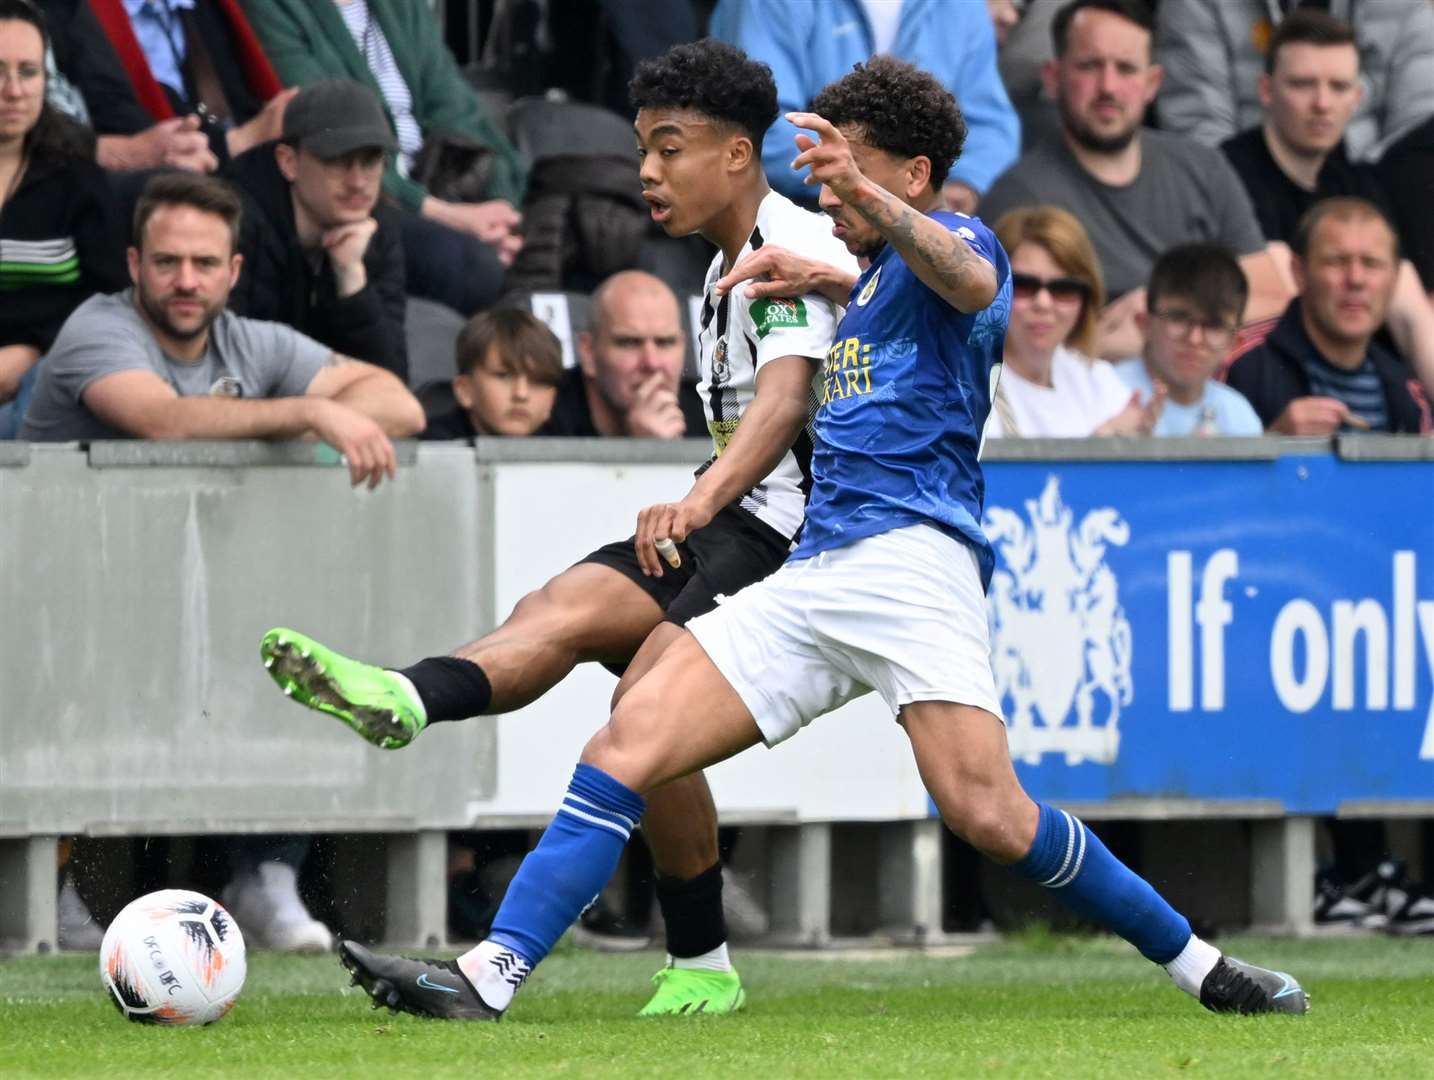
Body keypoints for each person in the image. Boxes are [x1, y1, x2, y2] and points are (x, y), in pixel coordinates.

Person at [327, 55, 1308, 1023]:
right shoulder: (863, 281)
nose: (824, 188)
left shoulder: (962, 242)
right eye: (822, 170)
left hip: (917, 566)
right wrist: (835, 264)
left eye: (848, 167)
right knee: (632, 734)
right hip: (817, 571)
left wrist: (858, 229)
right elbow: (873, 283)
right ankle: (488, 975)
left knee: (989, 814)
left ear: (912, 177)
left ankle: (1200, 965)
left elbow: (963, 278)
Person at [256, 38, 857, 1015]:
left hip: (785, 547)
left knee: (646, 722)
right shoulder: (718, 266)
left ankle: (502, 973)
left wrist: (700, 499)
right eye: (642, 148)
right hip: (728, 522)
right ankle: (408, 697)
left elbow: (786, 400)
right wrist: (707, 502)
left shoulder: (782, 254)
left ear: (738, 156)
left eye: (670, 148)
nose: (647, 171)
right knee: (566, 610)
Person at [19, 171, 425, 474]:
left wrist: (290, 428)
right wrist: (311, 413)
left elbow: (403, 408)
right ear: (134, 265)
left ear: (233, 272)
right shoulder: (98, 328)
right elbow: (162, 421)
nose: (186, 282)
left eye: (206, 263)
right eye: (166, 261)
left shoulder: (250, 341)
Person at [979, 0, 1291, 360]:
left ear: (1152, 82)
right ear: (1053, 77)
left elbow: (1271, 294)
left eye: (1126, 69)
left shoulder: (1204, 168)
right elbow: (997, 340)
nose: (1108, 86)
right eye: (1090, 66)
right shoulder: (1018, 198)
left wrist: (1162, 313)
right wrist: (1097, 347)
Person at [239, 0, 528, 316]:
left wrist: (503, 212)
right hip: (365, 199)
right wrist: (447, 214)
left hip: (445, 184)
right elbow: (329, 131)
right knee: (470, 266)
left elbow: (460, 111)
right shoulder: (269, 7)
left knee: (562, 239)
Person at [1219, 9, 1434, 403]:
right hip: (1261, 392)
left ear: (1357, 98)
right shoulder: (1224, 173)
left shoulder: (1360, 185)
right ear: (1266, 90)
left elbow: (1408, 308)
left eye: (1338, 87)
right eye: (1303, 84)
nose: (1322, 103)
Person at [709, 0, 1019, 213]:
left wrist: (961, 182)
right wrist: (887, 190)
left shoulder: (962, 7)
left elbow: (991, 126)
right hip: (796, 218)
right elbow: (763, 127)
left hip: (925, 215)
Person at [224, 78, 407, 380]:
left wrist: (351, 280)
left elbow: (392, 381)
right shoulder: (233, 222)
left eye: (371, 160)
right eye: (338, 161)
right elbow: (227, 366)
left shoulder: (378, 228)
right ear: (289, 162)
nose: (358, 182)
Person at [0, 0, 126, 440]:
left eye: (28, 71)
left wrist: (33, 348)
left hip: (48, 370)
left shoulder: (75, 176)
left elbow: (110, 298)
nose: (13, 90)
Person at [1227, 198, 1424, 435]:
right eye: (1336, 262)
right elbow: (1204, 469)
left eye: (1371, 264)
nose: (1356, 280)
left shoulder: (1407, 390)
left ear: (1394, 281)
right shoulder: (1243, 363)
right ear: (1299, 273)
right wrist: (1274, 440)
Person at [1155, 0, 1434, 165]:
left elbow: (1415, 137)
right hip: (1248, 206)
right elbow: (1199, 133)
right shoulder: (1194, 5)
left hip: (1371, 209)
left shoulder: (1406, 6)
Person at [984, 205, 1156, 438]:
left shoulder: (1095, 378)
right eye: (1023, 285)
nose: (1043, 303)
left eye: (1063, 289)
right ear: (992, 289)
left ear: (1086, 299)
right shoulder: (968, 386)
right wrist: (1106, 440)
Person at [87, 0, 296, 167]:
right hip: (182, 183)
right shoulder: (91, 19)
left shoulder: (205, 9)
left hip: (254, 159)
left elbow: (242, 93)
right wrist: (244, 139)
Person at [1115, 245, 1263, 437]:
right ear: (1145, 324)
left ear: (1234, 343)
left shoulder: (1240, 415)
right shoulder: (1104, 393)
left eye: (1214, 325)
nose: (1195, 339)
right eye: (1179, 318)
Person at [541, 270, 704, 439]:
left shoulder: (710, 416)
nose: (652, 363)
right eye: (629, 343)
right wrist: (644, 451)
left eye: (665, 342)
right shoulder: (544, 414)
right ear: (588, 352)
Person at [422, 308, 563, 441]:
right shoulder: (429, 448)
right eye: (504, 376)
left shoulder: (566, 456)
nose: (521, 394)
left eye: (538, 381)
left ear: (551, 401)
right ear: (464, 390)